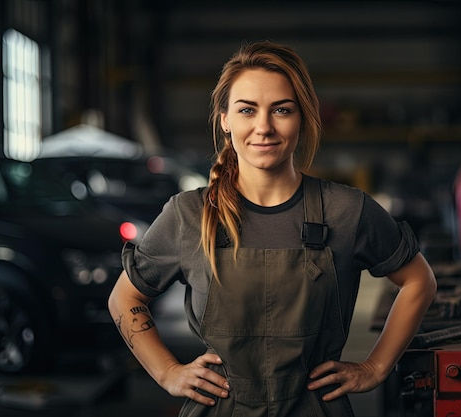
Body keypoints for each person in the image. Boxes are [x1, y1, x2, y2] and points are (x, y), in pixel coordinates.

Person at [108, 39, 437, 417]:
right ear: (225, 120)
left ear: (303, 117)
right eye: (247, 110)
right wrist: (167, 372)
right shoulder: (189, 215)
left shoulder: (347, 211)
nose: (263, 127)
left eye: (281, 109)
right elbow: (125, 298)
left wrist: (375, 367)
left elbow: (418, 280)